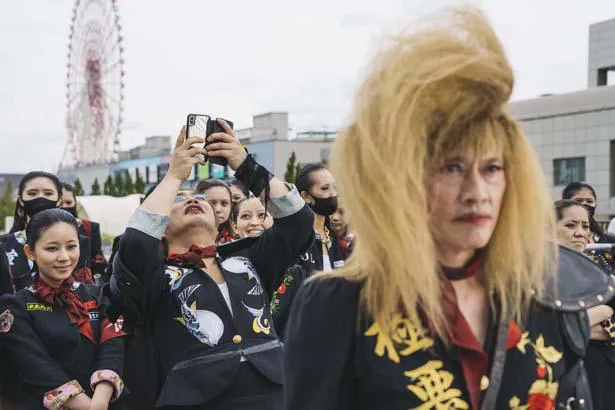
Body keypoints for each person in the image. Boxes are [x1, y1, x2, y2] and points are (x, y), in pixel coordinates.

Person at [283, 8, 612, 409]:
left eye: (491, 168)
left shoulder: (548, 294)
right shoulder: (339, 303)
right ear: (403, 180)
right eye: (451, 168)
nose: (477, 192)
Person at [108, 120, 313, 410]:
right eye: (179, 199)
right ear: (161, 227)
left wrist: (243, 163)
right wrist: (174, 176)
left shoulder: (248, 259)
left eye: (199, 197)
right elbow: (137, 245)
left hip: (274, 394)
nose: (192, 199)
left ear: (220, 222)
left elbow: (298, 221)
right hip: (196, 398)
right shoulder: (152, 276)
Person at [0, 209, 126, 409]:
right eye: (51, 249)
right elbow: (35, 365)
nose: (64, 257)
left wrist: (101, 397)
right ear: (30, 252)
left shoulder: (100, 295)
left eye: (71, 246)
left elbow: (113, 344)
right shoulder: (15, 306)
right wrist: (87, 406)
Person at [269, 163, 346, 339]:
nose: (332, 194)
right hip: (298, 337)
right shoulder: (295, 241)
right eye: (325, 188)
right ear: (306, 196)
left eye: (334, 187)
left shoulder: (336, 242)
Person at [554, 199, 615, 410]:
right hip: (557, 379)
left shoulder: (601, 273)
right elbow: (541, 328)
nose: (580, 233)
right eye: (570, 225)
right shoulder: (535, 275)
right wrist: (594, 318)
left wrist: (566, 326)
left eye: (585, 226)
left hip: (602, 379)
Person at [1, 171, 63, 294]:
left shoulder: (79, 243)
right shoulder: (3, 245)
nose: (40, 198)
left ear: (59, 199)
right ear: (21, 200)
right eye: (32, 193)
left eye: (48, 193)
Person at [61, 182, 108, 281]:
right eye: (60, 203)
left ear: (75, 202)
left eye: (68, 202)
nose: (64, 206)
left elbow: (98, 259)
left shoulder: (90, 227)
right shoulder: (43, 230)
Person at [195, 179, 237, 244]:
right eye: (212, 203)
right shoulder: (182, 240)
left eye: (224, 203)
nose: (218, 209)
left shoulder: (237, 240)